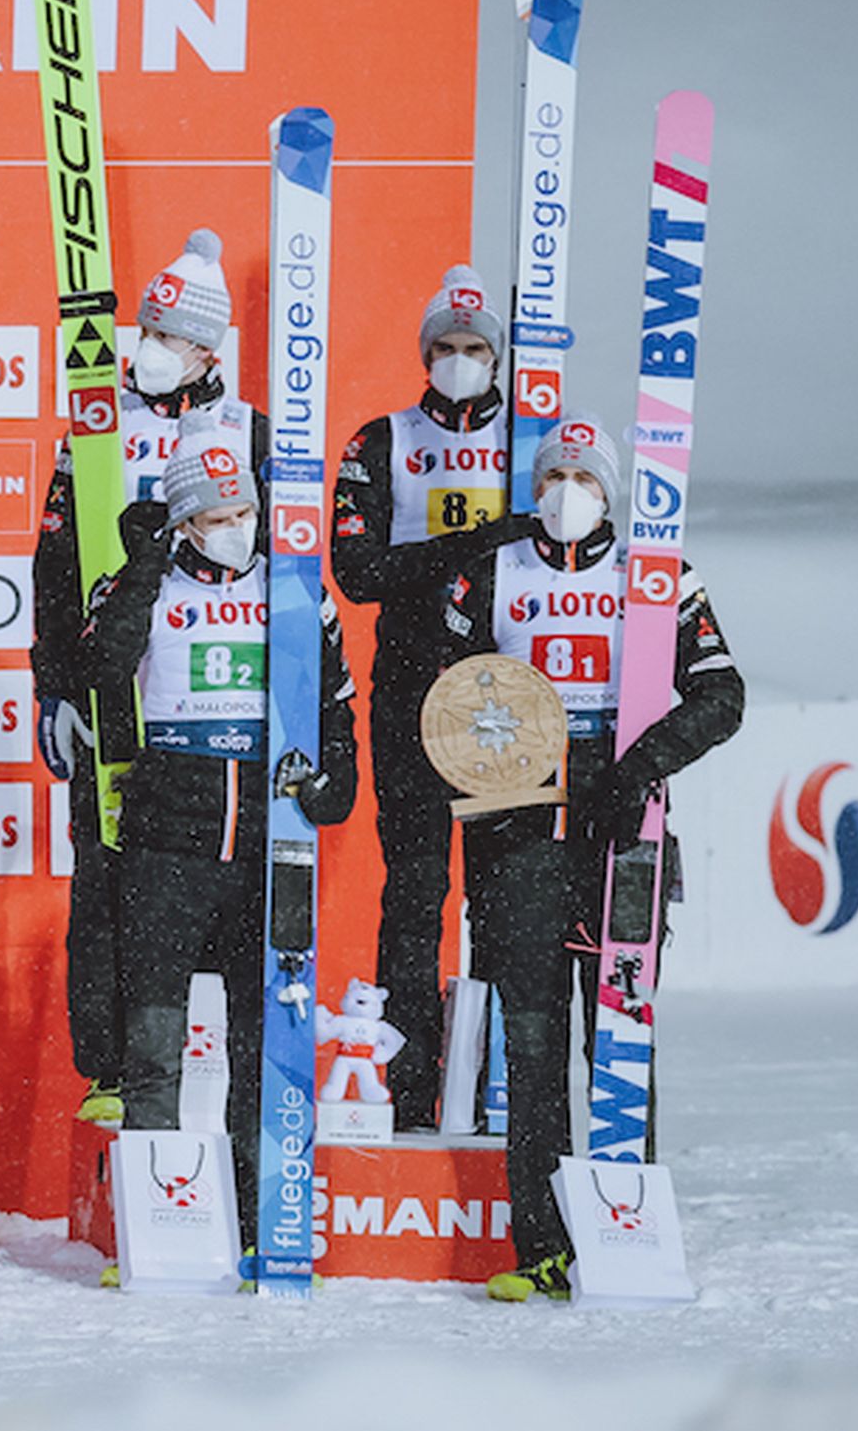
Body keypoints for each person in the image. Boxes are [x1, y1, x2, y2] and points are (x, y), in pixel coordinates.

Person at [432, 417, 743, 1301]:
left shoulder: (657, 577)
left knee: (620, 1038)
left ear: (612, 491)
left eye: (586, 476)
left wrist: (636, 765)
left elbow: (724, 693)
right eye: (556, 473)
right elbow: (447, 701)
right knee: (531, 1049)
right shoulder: (490, 571)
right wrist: (497, 762)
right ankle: (541, 1246)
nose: (570, 489)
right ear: (537, 485)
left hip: (622, 837)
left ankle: (622, 1231)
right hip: (521, 839)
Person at [80, 444, 357, 1251]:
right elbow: (99, 668)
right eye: (215, 517)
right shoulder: (147, 585)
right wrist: (141, 566)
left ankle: (258, 1220)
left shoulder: (295, 587)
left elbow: (337, 702)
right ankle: (157, 1228)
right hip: (169, 837)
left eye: (244, 514)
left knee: (260, 1041)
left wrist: (334, 782)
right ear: (184, 523)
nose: (235, 529)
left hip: (268, 841)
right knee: (155, 1041)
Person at [28, 228, 257, 1123]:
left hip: (206, 682)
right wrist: (52, 686)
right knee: (105, 866)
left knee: (199, 883)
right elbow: (50, 566)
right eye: (147, 330)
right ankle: (114, 1067)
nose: (152, 349)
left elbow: (273, 569)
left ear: (208, 350)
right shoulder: (94, 429)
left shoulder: (248, 432)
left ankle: (202, 1072)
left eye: (172, 336)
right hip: (109, 667)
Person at [331, 265, 534, 1127]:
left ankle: (487, 1094)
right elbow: (356, 571)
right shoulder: (382, 440)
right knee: (413, 893)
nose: (459, 361)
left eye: (474, 347)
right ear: (424, 354)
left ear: (498, 356)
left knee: (502, 899)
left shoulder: (533, 445)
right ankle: (411, 1090)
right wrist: (472, 547)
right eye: (444, 347)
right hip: (413, 689)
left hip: (509, 699)